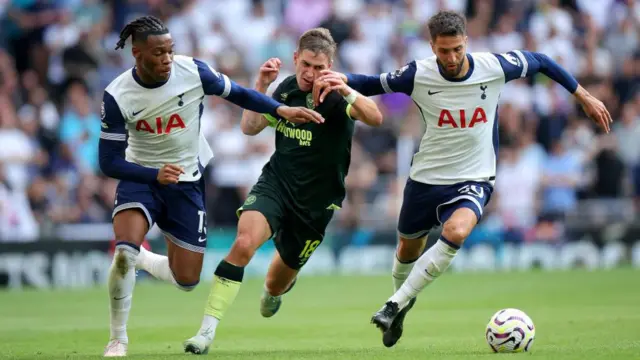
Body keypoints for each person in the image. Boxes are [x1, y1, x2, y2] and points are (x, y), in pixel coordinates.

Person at [314, 10, 612, 348]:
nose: (452, 57)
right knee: (407, 248)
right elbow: (373, 82)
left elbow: (542, 61)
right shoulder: (418, 74)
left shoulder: (494, 67)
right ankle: (401, 302)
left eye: (457, 48)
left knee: (456, 231)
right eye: (443, 51)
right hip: (426, 177)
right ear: (432, 46)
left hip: (475, 175)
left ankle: (393, 304)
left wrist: (583, 95)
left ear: (466, 42)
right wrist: (339, 79)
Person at [98, 15, 323, 357]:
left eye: (170, 50)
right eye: (158, 53)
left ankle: (143, 259)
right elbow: (108, 161)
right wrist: (152, 175)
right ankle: (118, 339)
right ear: (137, 54)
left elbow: (241, 94)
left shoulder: (194, 72)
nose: (167, 59)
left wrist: (281, 109)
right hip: (142, 178)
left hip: (187, 182)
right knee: (124, 253)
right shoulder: (117, 95)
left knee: (186, 280)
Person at [183, 27, 383, 355]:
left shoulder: (337, 96)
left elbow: (375, 117)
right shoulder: (286, 90)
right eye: (306, 65)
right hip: (276, 184)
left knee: (276, 284)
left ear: (330, 64)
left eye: (319, 68)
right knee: (245, 243)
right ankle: (206, 332)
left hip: (316, 204)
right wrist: (261, 85)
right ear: (295, 58)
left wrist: (346, 89)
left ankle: (274, 292)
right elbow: (249, 128)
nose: (311, 74)